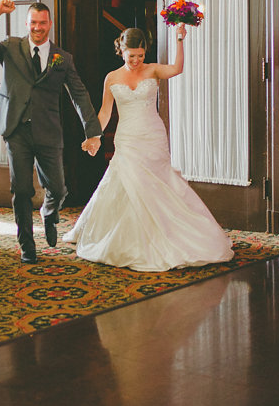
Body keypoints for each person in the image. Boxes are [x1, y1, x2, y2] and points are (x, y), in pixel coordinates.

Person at [63, 26, 234, 272]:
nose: (136, 60)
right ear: (121, 51)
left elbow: (177, 68)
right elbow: (105, 112)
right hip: (127, 138)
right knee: (129, 183)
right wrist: (94, 136)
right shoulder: (112, 78)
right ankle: (128, 238)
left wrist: (180, 39)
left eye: (140, 55)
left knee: (158, 184)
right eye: (131, 55)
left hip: (153, 136)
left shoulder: (153, 70)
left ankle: (171, 234)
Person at [0, 0, 102, 263]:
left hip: (48, 131)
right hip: (16, 129)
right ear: (26, 23)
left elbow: (79, 95)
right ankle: (27, 246)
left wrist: (92, 131)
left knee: (58, 189)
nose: (37, 28)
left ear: (50, 24)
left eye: (42, 23)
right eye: (33, 23)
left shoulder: (62, 58)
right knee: (21, 190)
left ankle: (49, 213)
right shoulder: (10, 48)